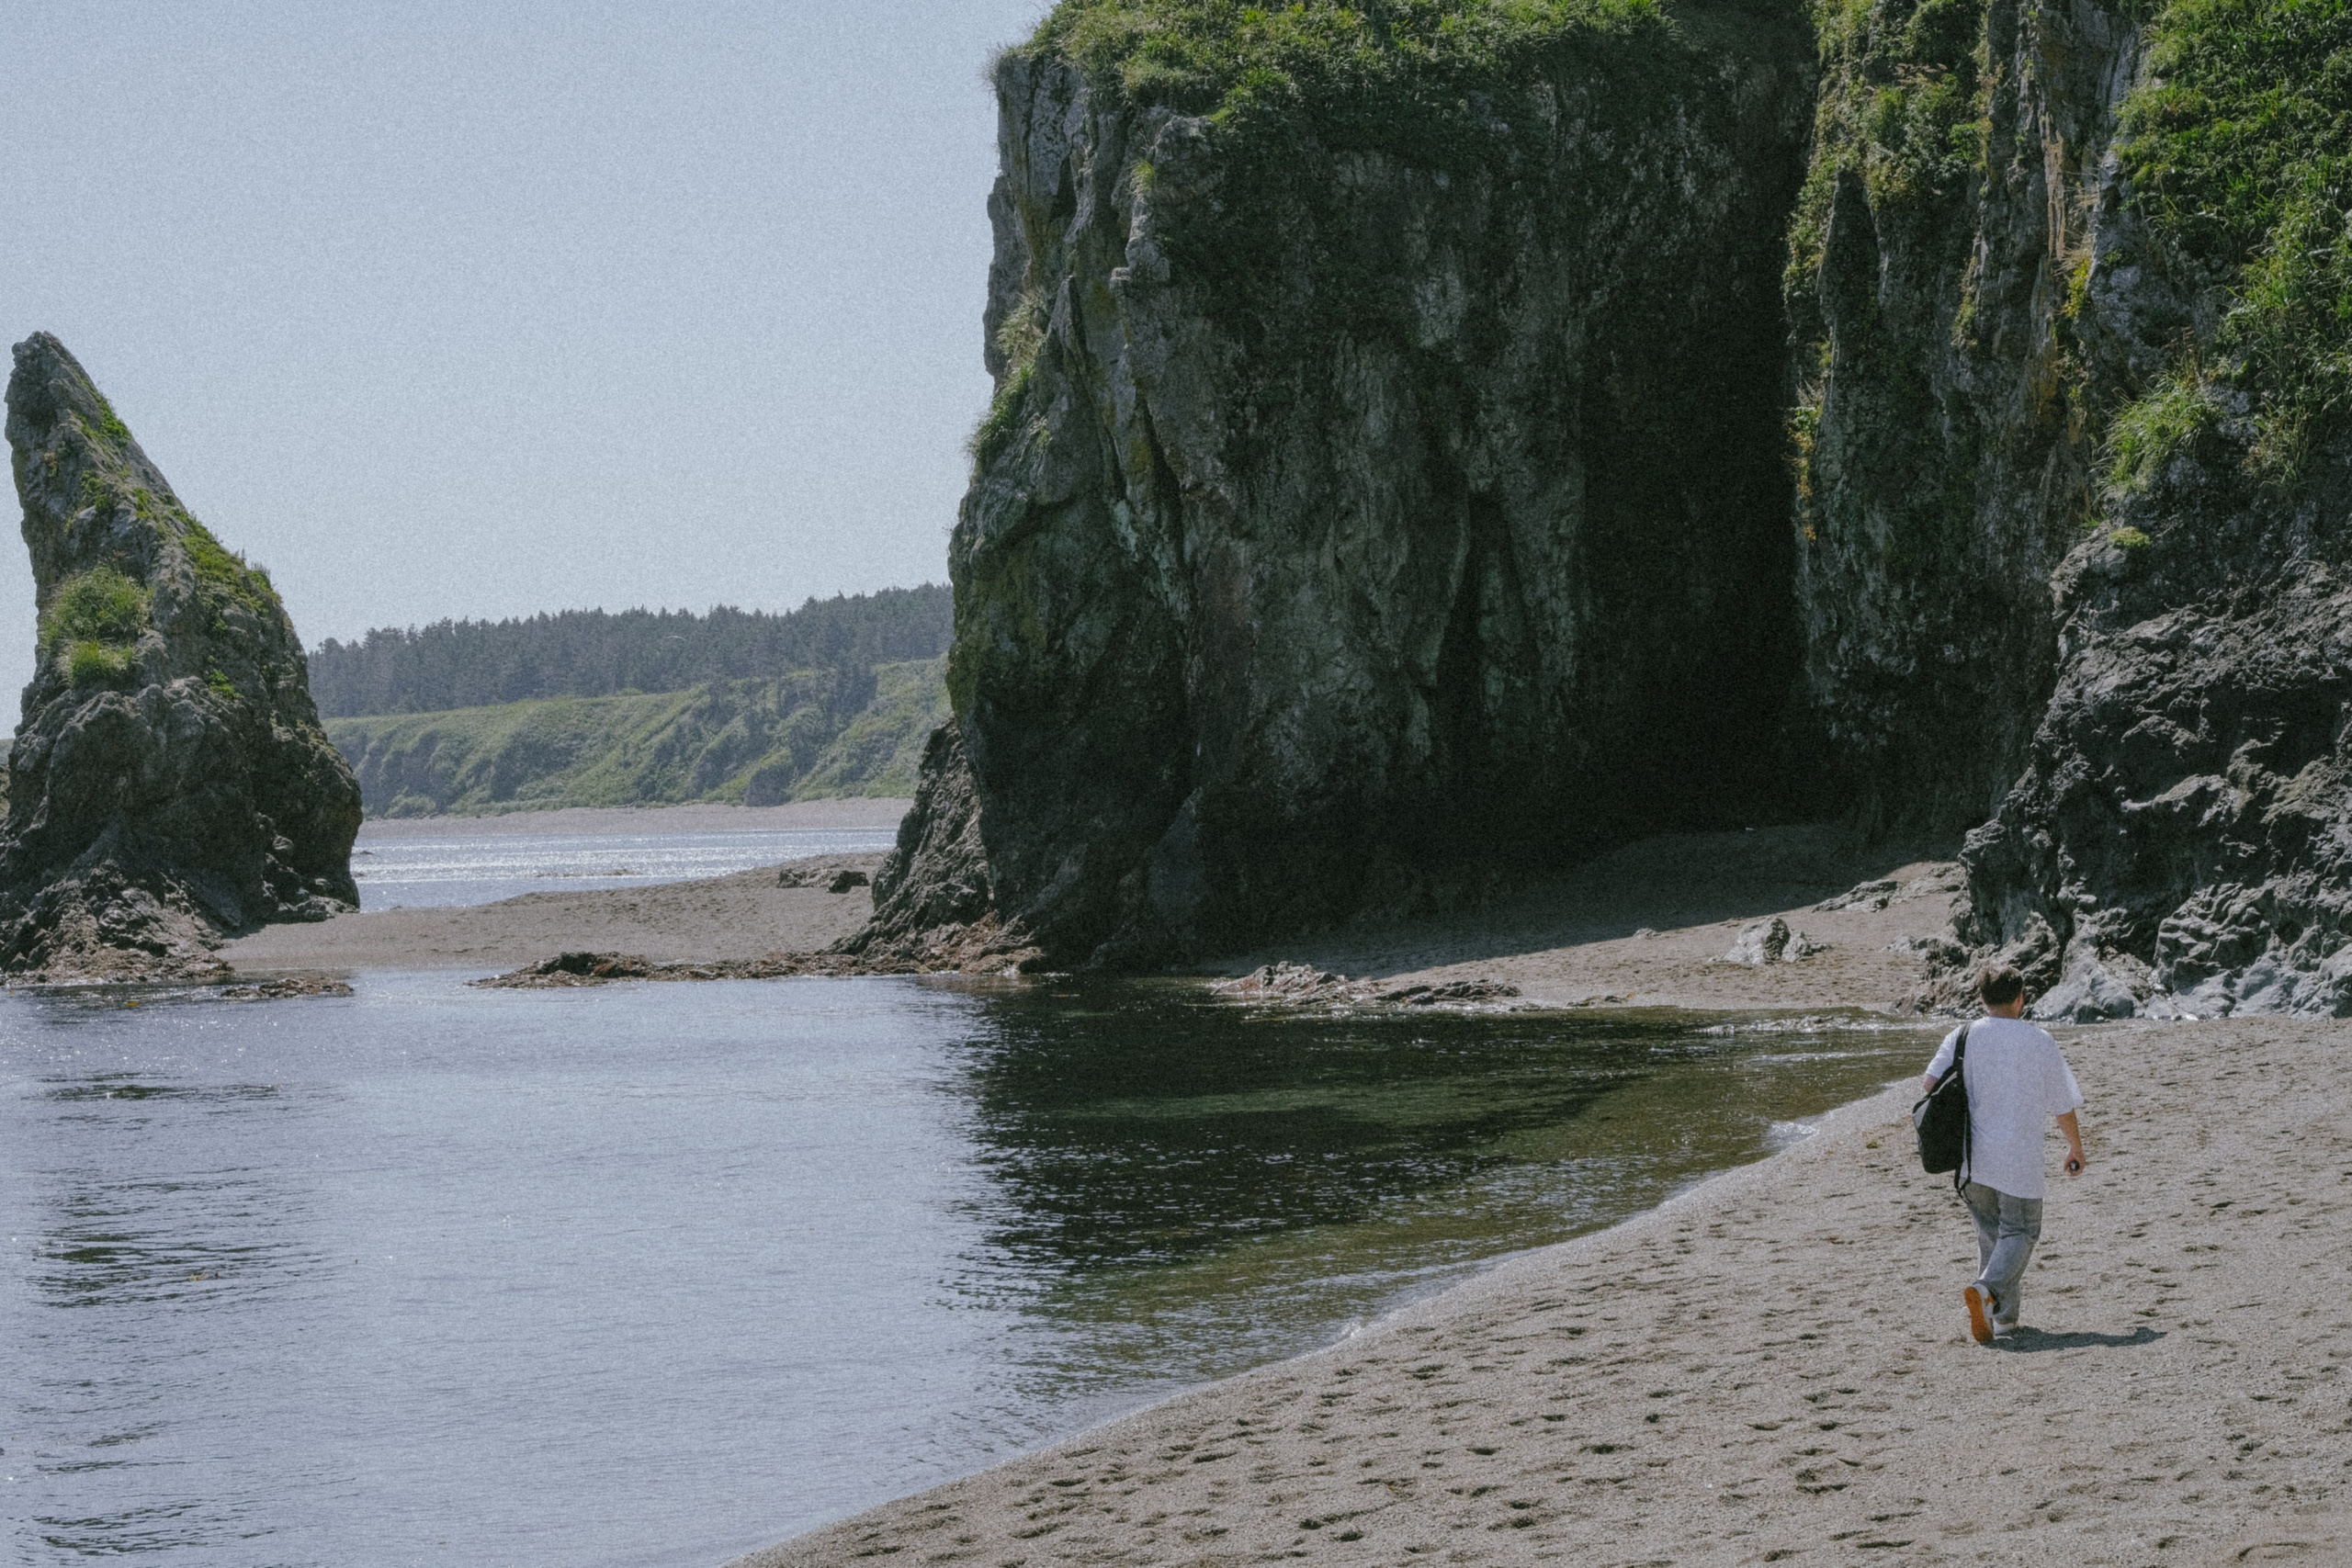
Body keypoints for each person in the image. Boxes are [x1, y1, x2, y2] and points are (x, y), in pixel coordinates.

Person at [1920, 964, 2086, 1344]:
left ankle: (2004, 1320)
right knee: (2022, 1231)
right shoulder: (2039, 1040)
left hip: (1971, 1158)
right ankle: (1986, 1291)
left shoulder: (1961, 1035)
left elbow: (1929, 1084)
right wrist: (2074, 1146)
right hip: (2019, 1158)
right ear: (2020, 998)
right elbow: (2061, 1104)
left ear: (1981, 998)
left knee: (1992, 1236)